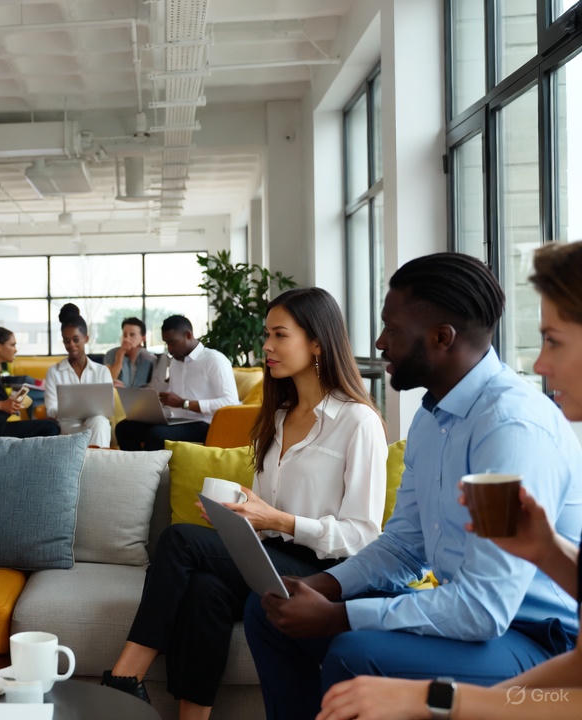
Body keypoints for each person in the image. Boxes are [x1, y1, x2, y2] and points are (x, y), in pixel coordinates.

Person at [244, 253, 582, 720]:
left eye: (392, 330)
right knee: (269, 613)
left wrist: (338, 615)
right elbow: (405, 547)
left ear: (442, 338)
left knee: (354, 651)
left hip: (531, 636)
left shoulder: (510, 426)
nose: (380, 342)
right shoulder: (431, 418)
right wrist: (322, 585)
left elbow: (485, 610)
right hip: (472, 618)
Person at [101, 288, 387, 720]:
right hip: (272, 554)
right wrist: (244, 515)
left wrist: (280, 520)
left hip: (325, 572)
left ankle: (123, 680)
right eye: (266, 335)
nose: (266, 346)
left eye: (279, 335)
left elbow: (363, 536)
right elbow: (267, 511)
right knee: (203, 590)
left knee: (179, 541)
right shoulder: (276, 417)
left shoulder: (357, 421)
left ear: (316, 342)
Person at [115, 315, 237, 451]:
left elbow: (230, 402)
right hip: (175, 420)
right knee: (124, 428)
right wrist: (157, 401)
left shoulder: (214, 360)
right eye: (166, 343)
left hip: (205, 423)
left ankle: (150, 471)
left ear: (188, 335)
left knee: (157, 435)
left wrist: (184, 403)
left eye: (172, 343)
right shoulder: (175, 362)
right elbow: (174, 398)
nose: (170, 349)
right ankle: (135, 469)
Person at [44, 304, 114, 447]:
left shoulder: (102, 371)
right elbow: (51, 409)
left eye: (76, 339)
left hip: (95, 422)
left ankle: (95, 468)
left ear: (86, 338)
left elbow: (108, 408)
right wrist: (70, 409)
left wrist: (87, 410)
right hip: (69, 426)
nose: (71, 345)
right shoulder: (54, 372)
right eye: (66, 340)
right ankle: (96, 466)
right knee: (95, 427)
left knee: (100, 422)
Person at [104, 316, 163, 388]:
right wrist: (120, 355)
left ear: (143, 338)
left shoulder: (150, 359)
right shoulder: (111, 353)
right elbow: (108, 382)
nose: (126, 339)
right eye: (124, 335)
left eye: (132, 335)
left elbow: (154, 387)